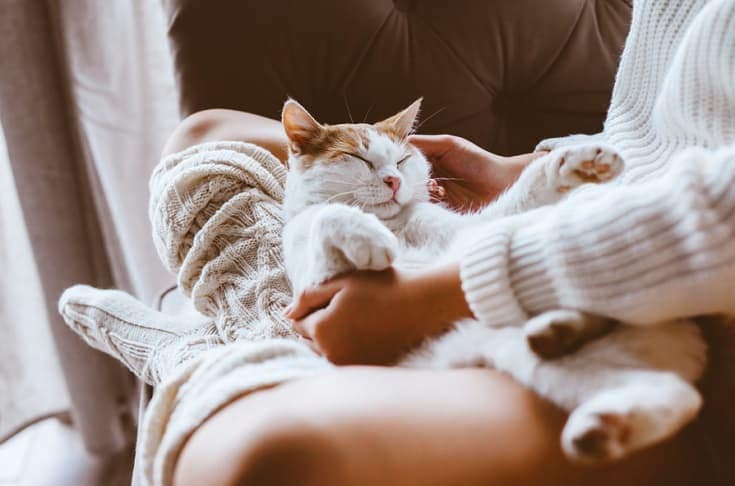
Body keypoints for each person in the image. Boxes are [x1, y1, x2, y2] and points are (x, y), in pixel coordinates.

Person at [168, 0, 735, 484]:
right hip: (628, 204)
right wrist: (522, 170)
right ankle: (261, 316)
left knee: (264, 459)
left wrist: (434, 295)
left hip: (689, 287)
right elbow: (674, 125)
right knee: (201, 135)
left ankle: (244, 326)